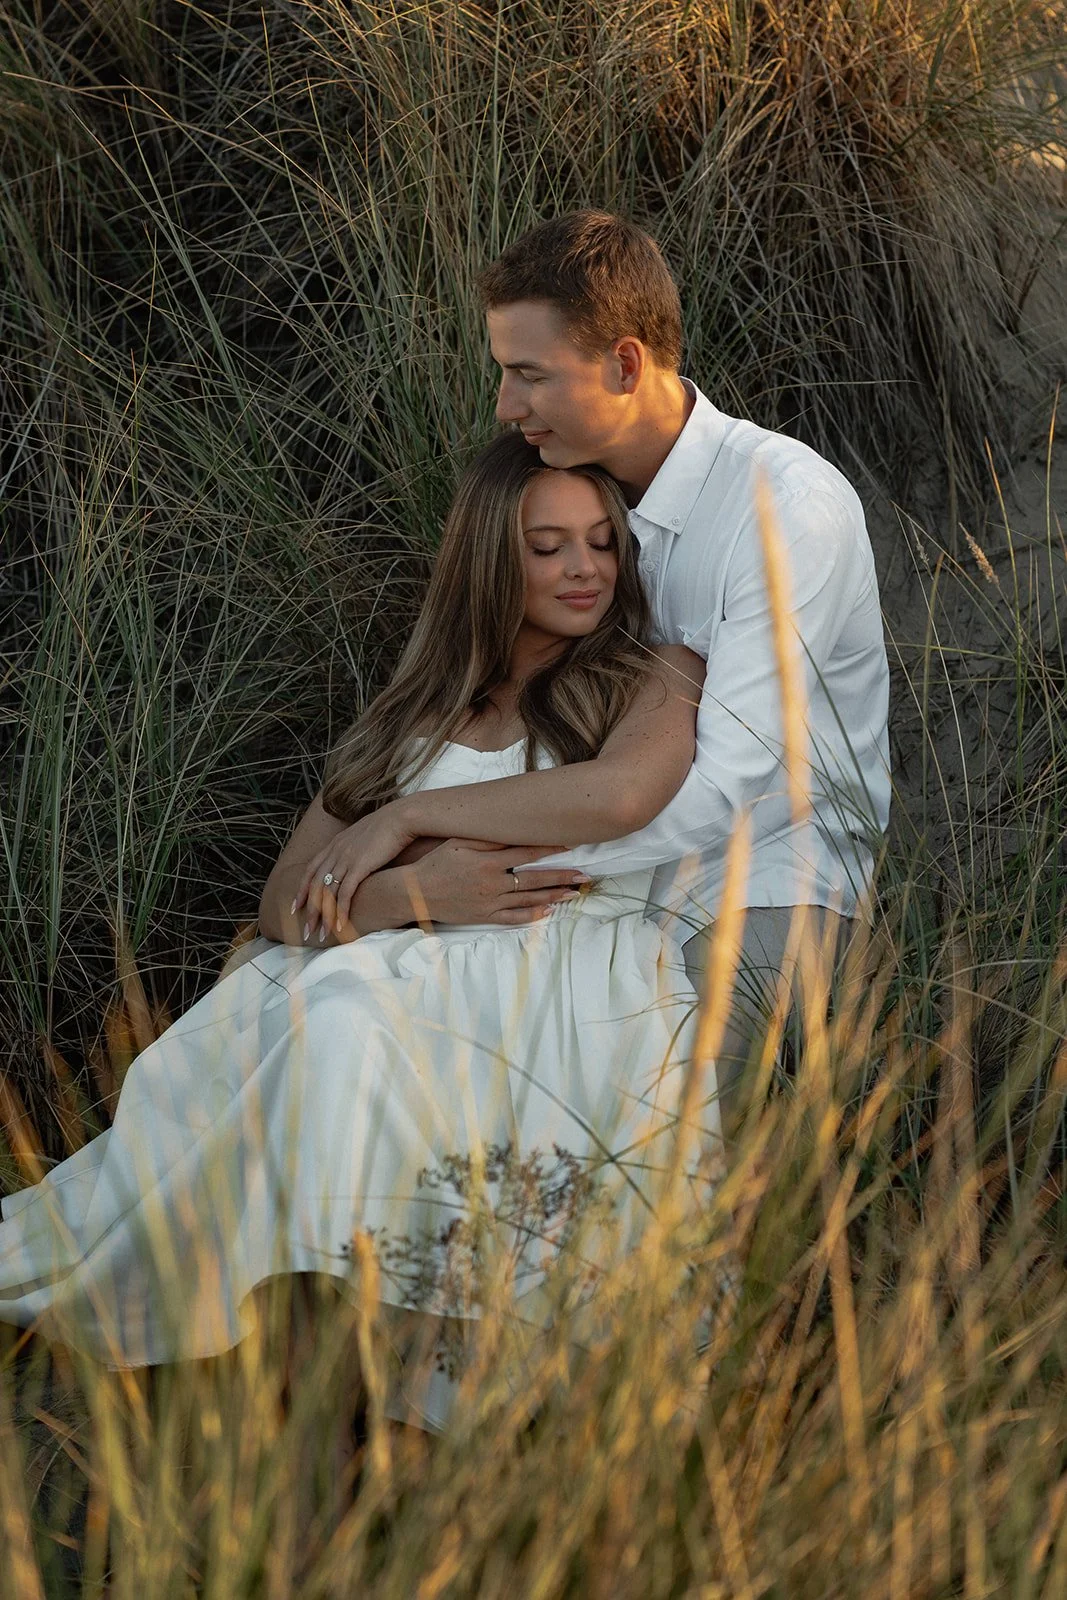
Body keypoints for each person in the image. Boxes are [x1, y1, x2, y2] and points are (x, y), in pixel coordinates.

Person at [0, 432, 719, 1442]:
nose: (584, 569)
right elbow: (287, 896)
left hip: (555, 977)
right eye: (548, 546)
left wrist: (399, 823)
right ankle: (288, 1375)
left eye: (602, 542)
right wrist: (406, 892)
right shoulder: (420, 711)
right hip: (391, 965)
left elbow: (624, 790)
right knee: (324, 1018)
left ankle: (393, 1411)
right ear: (489, 561)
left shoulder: (650, 674)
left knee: (344, 1028)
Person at [297, 211, 892, 1144]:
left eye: (528, 373)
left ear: (622, 364)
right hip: (590, 882)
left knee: (647, 1129)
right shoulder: (582, 498)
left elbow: (722, 792)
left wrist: (444, 850)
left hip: (759, 881)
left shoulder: (784, 506)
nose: (504, 403)